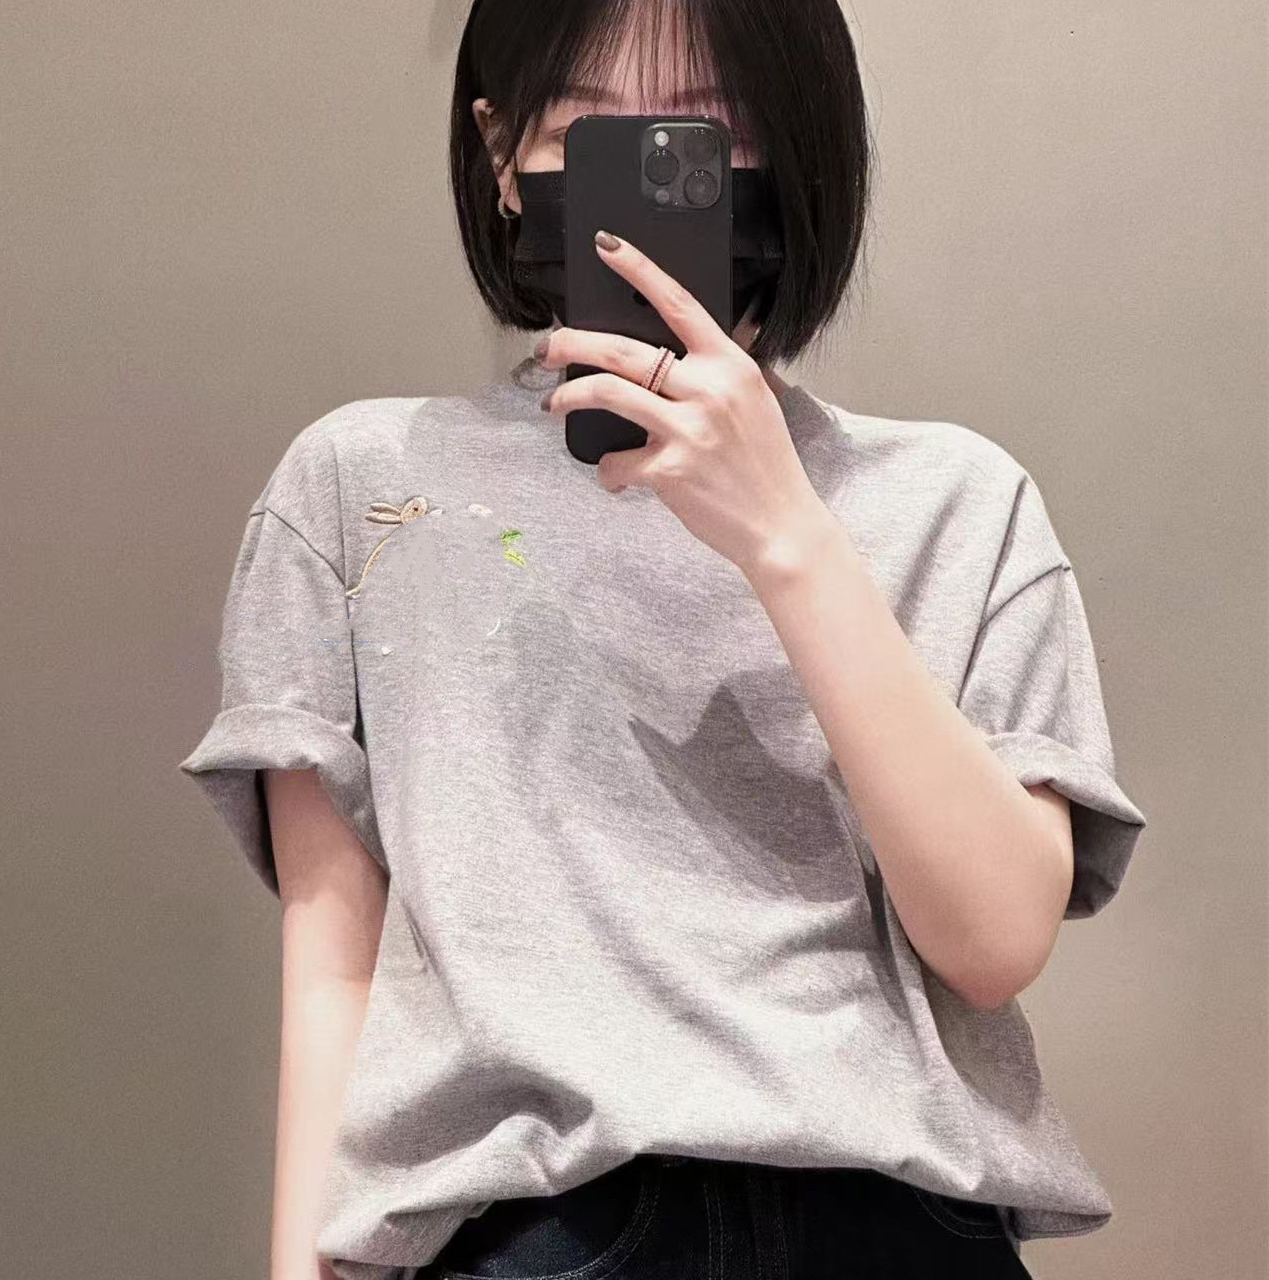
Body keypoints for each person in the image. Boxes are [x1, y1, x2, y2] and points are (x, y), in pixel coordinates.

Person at [177, 1, 1148, 1277]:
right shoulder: (361, 486)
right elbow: (332, 966)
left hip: (893, 1227)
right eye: (587, 126)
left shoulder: (955, 501)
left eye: (712, 127)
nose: (649, 169)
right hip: (539, 1229)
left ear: (797, 148)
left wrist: (786, 538)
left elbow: (993, 940)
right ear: (500, 155)